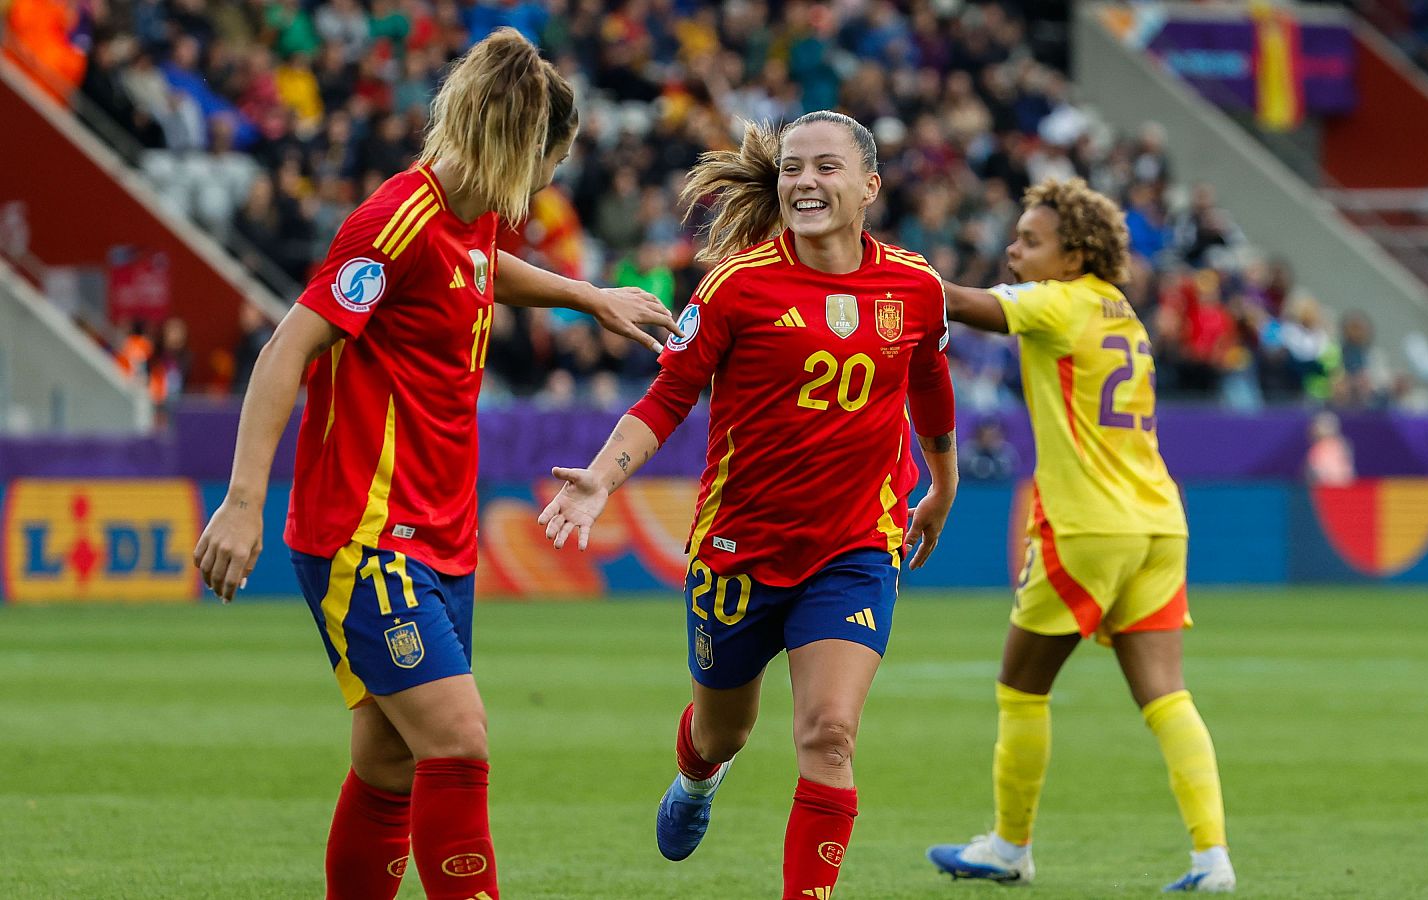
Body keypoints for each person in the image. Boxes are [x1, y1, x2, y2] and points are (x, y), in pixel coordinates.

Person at [191, 29, 677, 900]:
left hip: (439, 537)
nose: (541, 190)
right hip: (368, 533)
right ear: (518, 146)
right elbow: (286, 348)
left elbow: (485, 267)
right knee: (458, 740)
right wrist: (241, 500)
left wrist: (586, 296)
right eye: (544, 167)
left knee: (390, 763)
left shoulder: (472, 218)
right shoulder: (394, 222)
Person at [536, 111, 960, 900]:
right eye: (793, 168)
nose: (804, 181)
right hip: (740, 551)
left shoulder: (916, 285)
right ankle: (697, 778)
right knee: (721, 729)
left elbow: (929, 379)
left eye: (826, 167)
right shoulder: (737, 284)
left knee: (829, 734)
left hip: (853, 548)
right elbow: (669, 396)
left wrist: (942, 482)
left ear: (869, 185)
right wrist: (601, 475)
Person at [926, 178, 1235, 892]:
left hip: (1087, 527)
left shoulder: (1058, 303)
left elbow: (960, 303)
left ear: (1073, 257)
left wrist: (870, 258)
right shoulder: (1121, 311)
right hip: (1159, 523)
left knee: (1021, 687)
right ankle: (1211, 858)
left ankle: (1008, 846)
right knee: (1166, 696)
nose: (1013, 248)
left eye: (1030, 241)